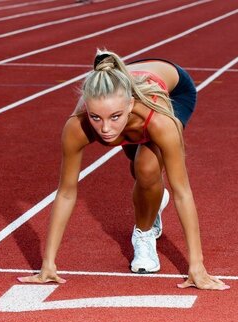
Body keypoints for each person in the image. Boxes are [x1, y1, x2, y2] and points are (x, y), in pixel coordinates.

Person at [18, 49, 229, 290]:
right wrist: (48, 264)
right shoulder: (77, 126)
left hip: (174, 90)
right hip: (127, 90)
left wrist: (197, 267)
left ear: (129, 105)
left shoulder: (160, 122)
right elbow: (66, 192)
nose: (105, 129)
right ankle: (153, 199)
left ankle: (145, 233)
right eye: (96, 117)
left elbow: (182, 192)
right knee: (137, 168)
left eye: (114, 117)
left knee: (147, 168)